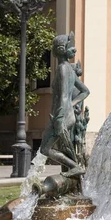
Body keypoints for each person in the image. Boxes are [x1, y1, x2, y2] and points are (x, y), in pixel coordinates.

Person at [40, 33, 90, 178]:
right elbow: (85, 91)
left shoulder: (62, 68)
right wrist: (71, 104)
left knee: (45, 149)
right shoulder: (69, 68)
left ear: (59, 50)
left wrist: (59, 118)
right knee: (64, 148)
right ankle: (75, 176)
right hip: (67, 114)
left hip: (61, 116)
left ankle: (75, 167)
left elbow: (62, 95)